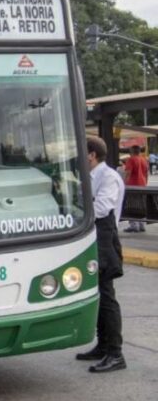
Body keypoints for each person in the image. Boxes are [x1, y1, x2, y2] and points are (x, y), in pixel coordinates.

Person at [76, 136, 126, 373]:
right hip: (93, 240)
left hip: (105, 242)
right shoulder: (90, 177)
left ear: (91, 154)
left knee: (107, 298)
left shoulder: (109, 178)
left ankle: (116, 353)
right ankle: (103, 345)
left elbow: (101, 208)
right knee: (96, 294)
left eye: (81, 152)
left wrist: (76, 216)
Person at [123, 145, 148, 232]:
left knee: (131, 205)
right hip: (142, 185)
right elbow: (146, 173)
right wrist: (145, 183)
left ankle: (134, 225)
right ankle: (142, 224)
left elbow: (128, 173)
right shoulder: (144, 159)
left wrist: (123, 184)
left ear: (132, 151)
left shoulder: (131, 159)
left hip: (132, 185)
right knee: (141, 206)